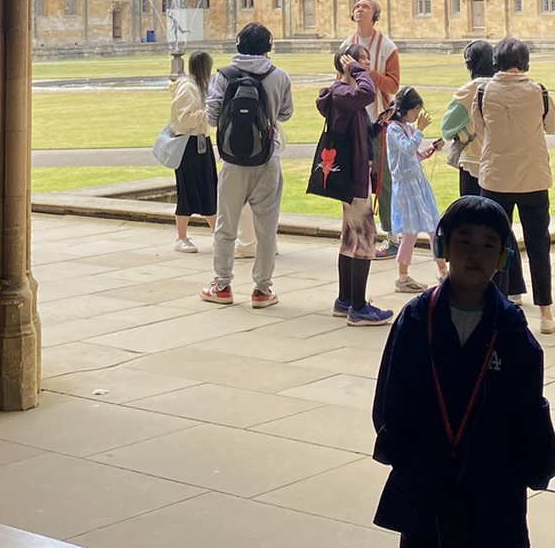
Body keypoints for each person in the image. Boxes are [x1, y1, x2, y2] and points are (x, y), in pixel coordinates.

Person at [326, 194, 555, 548]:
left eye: (488, 245)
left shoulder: (511, 330)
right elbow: (393, 391)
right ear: (443, 248)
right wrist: (399, 448)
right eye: (464, 242)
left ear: (503, 257)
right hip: (429, 478)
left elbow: (528, 406)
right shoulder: (417, 318)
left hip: (492, 484)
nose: (476, 254)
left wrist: (535, 464)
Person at [454, 36, 555, 335]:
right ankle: (545, 314)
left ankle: (496, 310)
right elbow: (553, 125)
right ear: (525, 62)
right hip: (533, 179)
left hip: (496, 178)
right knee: (539, 246)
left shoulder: (483, 92)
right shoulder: (538, 91)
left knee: (494, 245)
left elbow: (479, 128)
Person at [200, 21, 294, 308]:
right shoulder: (278, 76)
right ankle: (262, 290)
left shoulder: (224, 75)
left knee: (226, 226)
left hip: (232, 161)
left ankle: (222, 285)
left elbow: (212, 116)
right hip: (267, 158)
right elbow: (286, 113)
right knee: (266, 229)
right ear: (268, 47)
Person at [313, 45, 393, 327]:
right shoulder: (343, 92)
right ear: (348, 64)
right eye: (362, 59)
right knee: (365, 237)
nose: (367, 64)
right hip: (354, 175)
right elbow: (368, 93)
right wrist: (356, 69)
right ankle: (358, 307)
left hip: (352, 172)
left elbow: (357, 131)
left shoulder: (344, 96)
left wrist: (378, 126)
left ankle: (345, 299)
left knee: (350, 238)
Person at [343, 0, 400, 251]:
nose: (359, 9)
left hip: (378, 121)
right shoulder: (347, 45)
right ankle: (358, 232)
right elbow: (339, 81)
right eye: (356, 6)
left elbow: (393, 85)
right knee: (353, 179)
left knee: (383, 180)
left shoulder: (387, 47)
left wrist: (368, 73)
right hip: (353, 122)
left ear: (375, 14)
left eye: (365, 7)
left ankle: (392, 236)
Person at [384, 85, 441, 293]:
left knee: (434, 227)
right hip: (406, 187)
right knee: (410, 233)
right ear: (404, 109)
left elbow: (413, 154)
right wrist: (420, 130)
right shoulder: (393, 129)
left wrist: (429, 150)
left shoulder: (406, 128)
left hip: (417, 183)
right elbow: (407, 149)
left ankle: (443, 271)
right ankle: (403, 276)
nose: (418, 115)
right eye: (415, 110)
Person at [166, 49, 216, 252]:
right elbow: (185, 119)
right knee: (187, 190)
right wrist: (206, 113)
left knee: (209, 188)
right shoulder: (187, 88)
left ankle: (218, 233)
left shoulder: (200, 87)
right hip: (188, 145)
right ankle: (181, 238)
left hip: (202, 143)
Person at [441, 40, 495, 199]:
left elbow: (447, 129)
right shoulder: (502, 87)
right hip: (501, 163)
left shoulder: (468, 92)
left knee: (471, 211)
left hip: (473, 161)